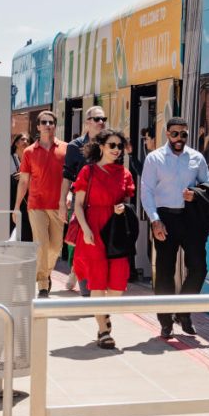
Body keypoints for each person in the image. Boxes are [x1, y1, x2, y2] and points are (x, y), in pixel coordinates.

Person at [140, 117, 209, 338]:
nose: (179, 138)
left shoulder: (197, 158)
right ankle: (165, 320)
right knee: (164, 271)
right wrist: (154, 220)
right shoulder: (154, 158)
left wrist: (196, 194)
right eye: (175, 134)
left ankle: (183, 311)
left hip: (191, 219)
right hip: (165, 218)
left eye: (183, 134)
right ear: (167, 133)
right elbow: (147, 191)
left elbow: (208, 186)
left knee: (199, 268)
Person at [71, 129, 136, 349]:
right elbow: (78, 204)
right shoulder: (87, 172)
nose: (117, 150)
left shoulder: (125, 174)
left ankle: (104, 314)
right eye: (112, 145)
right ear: (101, 147)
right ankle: (103, 329)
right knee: (97, 279)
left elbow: (128, 203)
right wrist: (85, 228)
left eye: (119, 146)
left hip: (115, 229)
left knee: (117, 282)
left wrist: (122, 208)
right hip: (93, 227)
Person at [13, 111, 67, 298]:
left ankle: (46, 273)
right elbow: (23, 182)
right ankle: (43, 284)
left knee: (55, 247)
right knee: (42, 244)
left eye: (51, 122)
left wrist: (68, 197)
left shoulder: (65, 149)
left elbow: (71, 178)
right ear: (38, 127)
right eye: (43, 122)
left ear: (55, 125)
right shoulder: (29, 152)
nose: (47, 125)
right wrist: (16, 206)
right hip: (35, 205)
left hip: (58, 206)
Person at [62, 107, 109, 293]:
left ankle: (80, 273)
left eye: (103, 118)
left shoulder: (110, 144)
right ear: (87, 122)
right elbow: (67, 174)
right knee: (80, 240)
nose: (101, 122)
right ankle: (82, 281)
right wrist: (62, 198)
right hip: (80, 200)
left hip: (103, 202)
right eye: (97, 118)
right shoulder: (75, 146)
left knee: (97, 242)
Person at [9, 133, 33, 242]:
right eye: (22, 139)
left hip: (27, 194)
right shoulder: (9, 157)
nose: (25, 142)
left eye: (27, 140)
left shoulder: (32, 157)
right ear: (16, 143)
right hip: (11, 194)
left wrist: (26, 175)